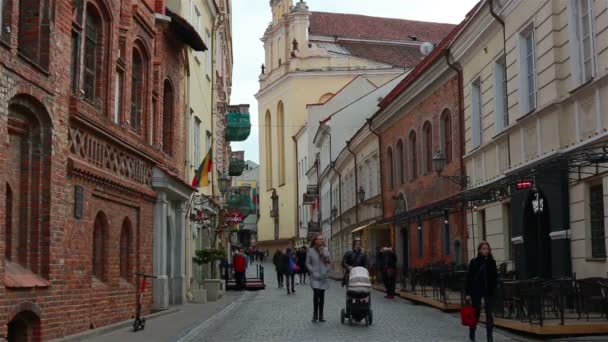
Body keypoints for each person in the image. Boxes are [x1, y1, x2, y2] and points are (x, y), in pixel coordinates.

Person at [465, 241, 498, 342]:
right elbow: (469, 278)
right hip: (476, 292)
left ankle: (489, 337)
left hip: (488, 292)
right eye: (483, 248)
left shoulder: (492, 262)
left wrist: (494, 289)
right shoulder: (474, 262)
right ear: (479, 250)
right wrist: (468, 293)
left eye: (487, 249)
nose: (486, 250)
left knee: (489, 314)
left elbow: (494, 277)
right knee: (476, 313)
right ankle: (472, 331)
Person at [306, 234, 330, 323]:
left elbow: (328, 261)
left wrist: (327, 270)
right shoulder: (310, 251)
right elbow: (308, 263)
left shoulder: (326, 249)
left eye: (322, 239)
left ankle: (321, 315)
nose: (321, 240)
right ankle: (315, 315)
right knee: (316, 295)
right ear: (315, 240)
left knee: (322, 296)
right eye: (319, 239)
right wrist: (312, 271)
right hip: (314, 276)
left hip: (323, 276)